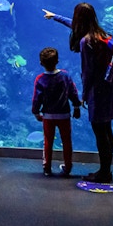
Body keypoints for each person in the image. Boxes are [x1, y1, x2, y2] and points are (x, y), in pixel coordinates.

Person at [43, 3, 113, 183]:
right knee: (106, 129)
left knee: (100, 131)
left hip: (97, 90)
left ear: (79, 18)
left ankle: (104, 173)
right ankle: (106, 170)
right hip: (109, 86)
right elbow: (73, 26)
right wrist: (55, 16)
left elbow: (88, 70)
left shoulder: (86, 42)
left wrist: (84, 94)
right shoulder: (101, 34)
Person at [31, 47, 81, 177]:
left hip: (48, 116)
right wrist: (76, 106)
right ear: (57, 61)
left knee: (48, 141)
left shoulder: (40, 79)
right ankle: (68, 167)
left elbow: (37, 97)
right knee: (66, 141)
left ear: (41, 63)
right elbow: (73, 92)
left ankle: (47, 167)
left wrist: (36, 112)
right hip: (64, 115)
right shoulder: (65, 76)